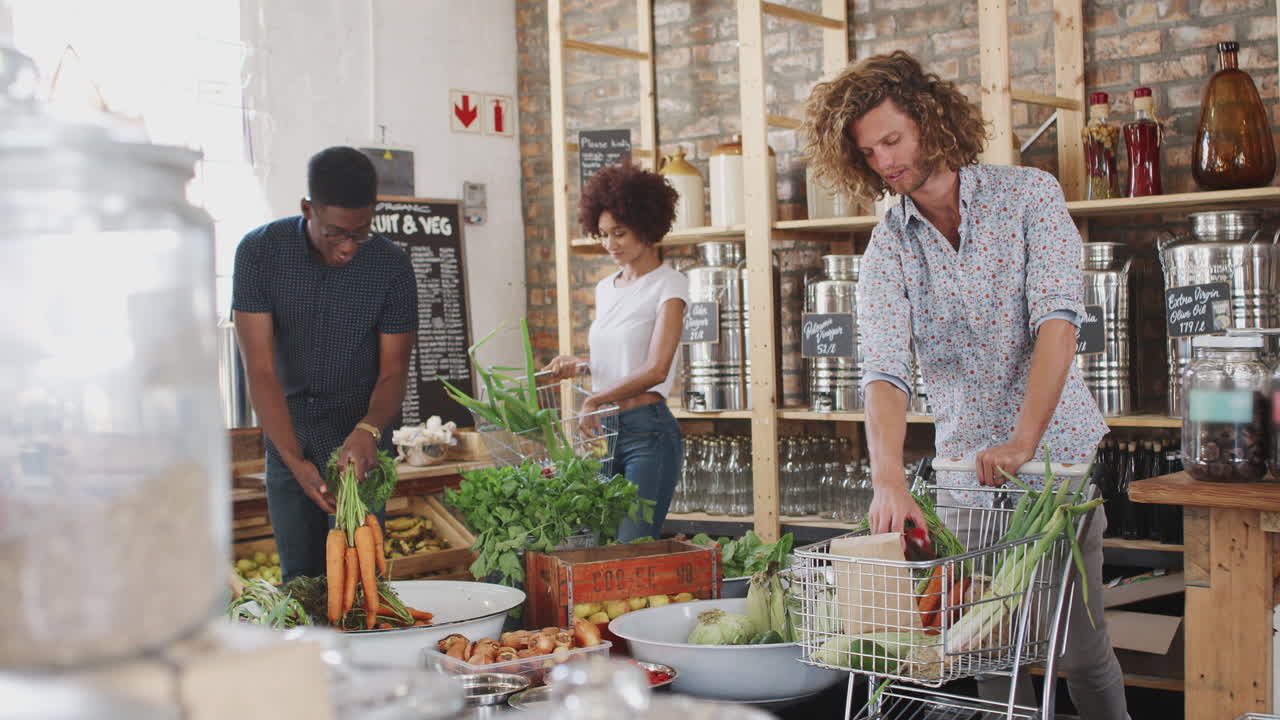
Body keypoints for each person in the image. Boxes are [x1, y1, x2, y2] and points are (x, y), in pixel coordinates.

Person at [805, 52, 1127, 720]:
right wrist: (888, 477)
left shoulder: (1028, 197)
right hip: (967, 480)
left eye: (893, 139)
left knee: (1078, 652)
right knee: (982, 650)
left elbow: (1057, 324)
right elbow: (886, 372)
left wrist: (1022, 440)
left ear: (930, 120)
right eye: (869, 153)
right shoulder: (889, 246)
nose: (885, 161)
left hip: (1054, 467)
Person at [233, 146, 417, 583]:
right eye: (337, 233)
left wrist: (368, 430)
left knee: (360, 579)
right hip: (287, 433)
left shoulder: (391, 267)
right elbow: (259, 371)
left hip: (362, 442)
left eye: (363, 231)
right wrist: (294, 462)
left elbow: (393, 372)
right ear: (306, 209)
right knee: (301, 578)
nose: (350, 247)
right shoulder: (259, 253)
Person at [543, 163, 689, 542]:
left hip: (648, 433)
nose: (610, 244)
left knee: (631, 545)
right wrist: (582, 365)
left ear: (647, 227)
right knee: (599, 544)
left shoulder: (670, 285)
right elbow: (624, 358)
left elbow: (656, 368)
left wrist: (595, 400)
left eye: (619, 233)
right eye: (603, 234)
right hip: (607, 432)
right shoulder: (606, 287)